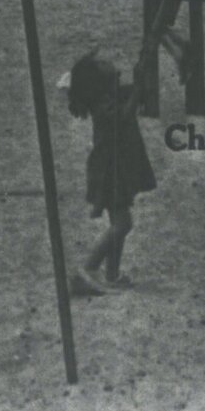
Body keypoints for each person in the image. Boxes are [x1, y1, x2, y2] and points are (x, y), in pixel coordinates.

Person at [66, 53, 155, 297]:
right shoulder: (103, 105)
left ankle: (111, 275)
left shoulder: (108, 97)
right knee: (123, 224)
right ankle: (87, 270)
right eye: (104, 65)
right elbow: (124, 116)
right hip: (109, 172)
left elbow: (137, 95)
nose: (111, 65)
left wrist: (141, 78)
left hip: (114, 169)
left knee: (119, 222)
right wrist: (137, 87)